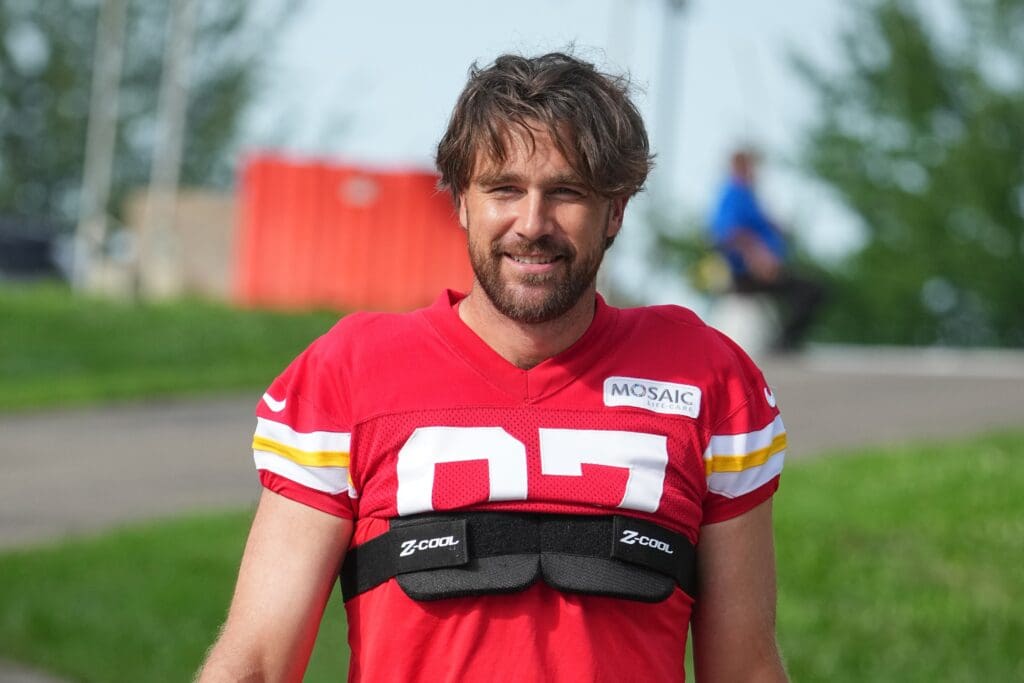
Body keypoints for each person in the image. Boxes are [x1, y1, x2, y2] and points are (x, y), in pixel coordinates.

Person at [199, 52, 789, 682]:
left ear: (615, 211)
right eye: (504, 189)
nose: (531, 224)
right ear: (461, 202)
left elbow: (745, 669)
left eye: (566, 191)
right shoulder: (347, 373)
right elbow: (257, 662)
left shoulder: (707, 377)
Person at [709, 148, 825, 351]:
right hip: (750, 273)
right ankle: (784, 343)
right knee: (810, 291)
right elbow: (730, 233)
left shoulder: (747, 195)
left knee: (804, 290)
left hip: (763, 269)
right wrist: (757, 256)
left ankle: (783, 340)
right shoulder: (733, 195)